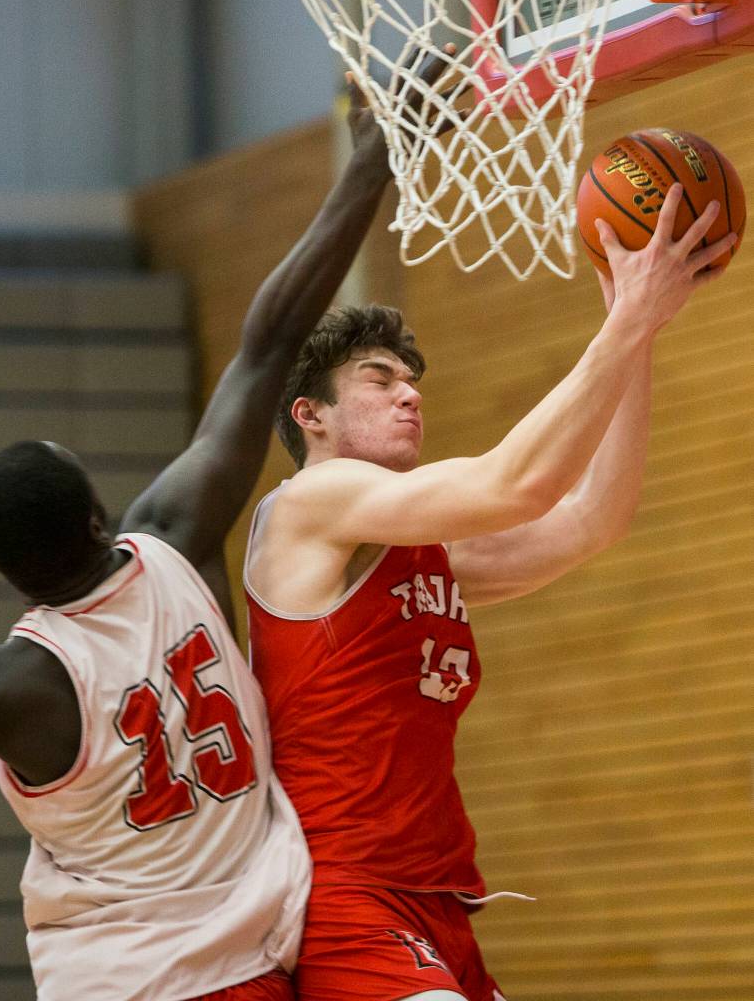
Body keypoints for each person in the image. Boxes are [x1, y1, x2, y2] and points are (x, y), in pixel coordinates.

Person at [0, 66, 421, 1000]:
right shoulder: (176, 535)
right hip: (254, 955)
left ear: (12, 578)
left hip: (120, 979)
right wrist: (370, 162)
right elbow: (270, 343)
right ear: (98, 516)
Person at [243, 186, 737, 1001]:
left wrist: (639, 328)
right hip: (346, 899)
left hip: (439, 903)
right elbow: (517, 484)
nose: (409, 393)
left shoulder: (418, 550)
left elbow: (590, 520)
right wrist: (620, 322)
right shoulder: (308, 506)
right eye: (377, 378)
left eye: (411, 380)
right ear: (311, 416)